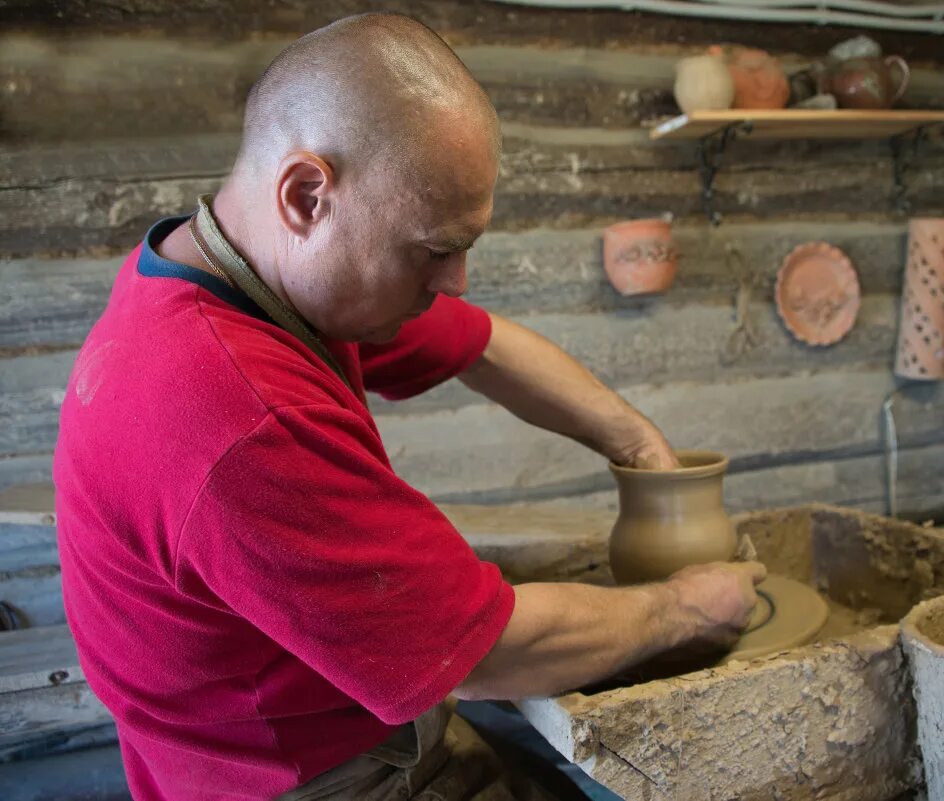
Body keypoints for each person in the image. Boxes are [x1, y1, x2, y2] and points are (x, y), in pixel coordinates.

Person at [54, 13, 765, 801]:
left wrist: (634, 441)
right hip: (296, 778)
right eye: (432, 250)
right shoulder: (238, 412)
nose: (455, 280)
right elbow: (487, 657)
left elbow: (482, 345)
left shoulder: (234, 275)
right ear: (305, 195)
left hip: (303, 718)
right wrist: (684, 606)